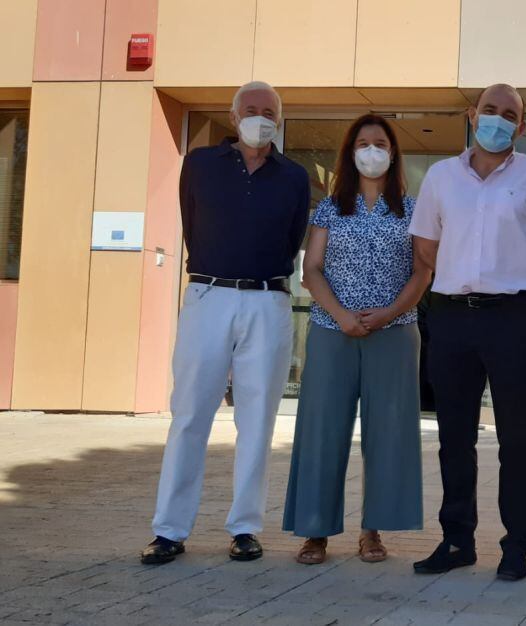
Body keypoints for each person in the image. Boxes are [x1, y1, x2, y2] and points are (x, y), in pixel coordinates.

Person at [409, 83, 526, 582]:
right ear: (472, 114)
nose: (497, 120)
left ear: (521, 127)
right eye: (489, 110)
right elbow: (425, 245)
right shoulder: (441, 176)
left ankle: (515, 545)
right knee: (453, 436)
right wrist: (463, 273)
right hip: (450, 317)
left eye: (508, 114)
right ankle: (457, 540)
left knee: (516, 439)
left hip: (512, 318)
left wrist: (522, 277)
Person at [141, 81, 310, 565]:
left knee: (257, 420)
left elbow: (292, 237)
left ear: (279, 119)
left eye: (269, 111)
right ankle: (169, 530)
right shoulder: (199, 164)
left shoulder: (294, 176)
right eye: (250, 110)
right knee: (190, 414)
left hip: (268, 301)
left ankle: (245, 528)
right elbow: (193, 226)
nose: (260, 117)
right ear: (233, 117)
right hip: (208, 295)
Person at [282, 114, 430, 565]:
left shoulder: (412, 209)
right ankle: (315, 531)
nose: (372, 151)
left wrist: (388, 313)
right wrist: (342, 315)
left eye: (380, 143)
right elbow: (311, 270)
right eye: (363, 143)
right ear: (350, 152)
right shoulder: (331, 208)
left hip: (395, 332)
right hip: (333, 331)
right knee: (322, 431)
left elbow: (423, 271)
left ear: (393, 152)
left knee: (388, 434)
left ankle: (373, 531)